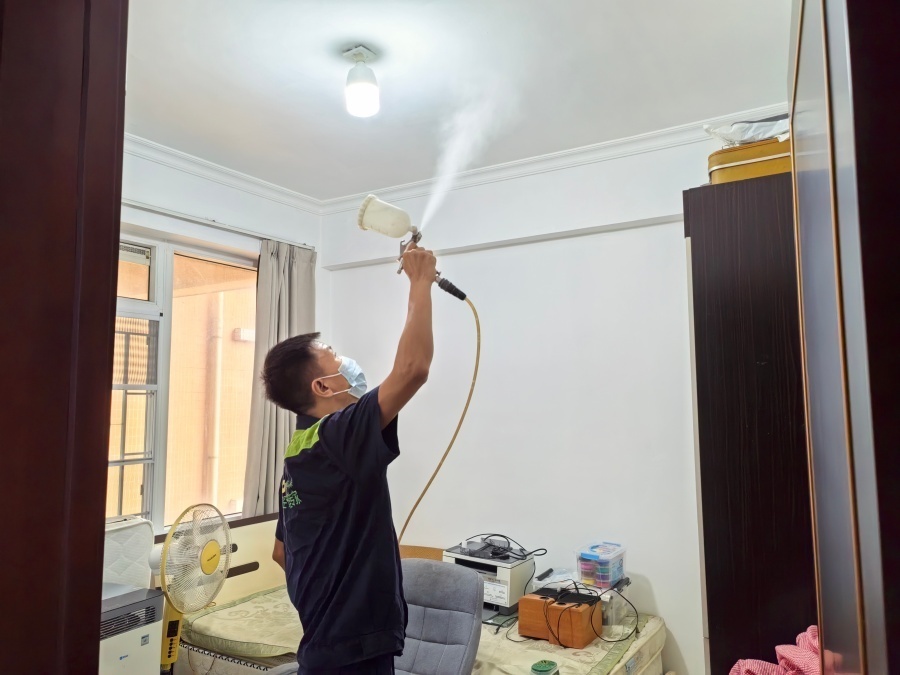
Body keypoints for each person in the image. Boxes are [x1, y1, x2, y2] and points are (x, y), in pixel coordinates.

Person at [263, 243, 437, 674]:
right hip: (353, 653)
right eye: (338, 359)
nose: (349, 364)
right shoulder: (335, 436)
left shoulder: (300, 449)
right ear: (323, 387)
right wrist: (419, 281)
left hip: (325, 645)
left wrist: (325, 603)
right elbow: (412, 369)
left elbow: (282, 552)